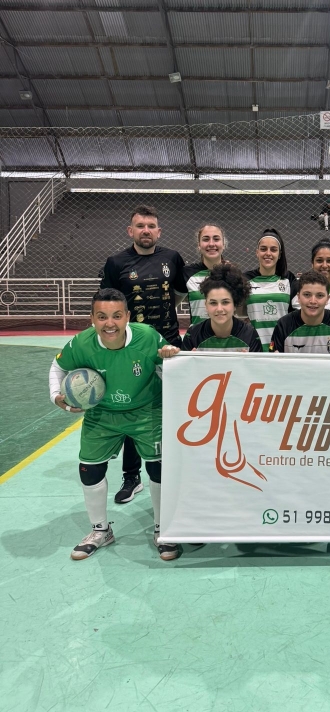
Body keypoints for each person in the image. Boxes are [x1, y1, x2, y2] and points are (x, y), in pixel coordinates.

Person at [49, 288, 182, 561]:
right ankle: (101, 531)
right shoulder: (81, 344)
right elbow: (58, 367)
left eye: (117, 316)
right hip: (102, 413)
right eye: (102, 317)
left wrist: (171, 355)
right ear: (92, 319)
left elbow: (168, 367)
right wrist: (57, 397)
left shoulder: (146, 337)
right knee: (89, 468)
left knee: (158, 467)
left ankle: (163, 530)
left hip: (147, 410)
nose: (110, 323)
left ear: (127, 317)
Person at [99, 204, 187, 505]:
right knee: (131, 410)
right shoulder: (116, 262)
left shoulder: (172, 258)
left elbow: (178, 295)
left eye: (151, 226)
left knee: (174, 408)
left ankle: (173, 468)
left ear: (158, 231)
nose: (146, 230)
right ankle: (131, 476)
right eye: (140, 226)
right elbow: (107, 305)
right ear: (131, 231)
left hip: (171, 346)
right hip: (130, 349)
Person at [181, 264, 262, 352]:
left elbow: (257, 365)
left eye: (225, 302)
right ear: (206, 305)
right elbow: (183, 365)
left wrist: (248, 363)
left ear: (235, 304)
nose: (219, 309)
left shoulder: (249, 334)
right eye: (213, 303)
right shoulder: (193, 335)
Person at [270, 270, 330, 354]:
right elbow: (275, 362)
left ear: (327, 299)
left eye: (320, 295)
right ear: (298, 297)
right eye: (307, 295)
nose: (313, 301)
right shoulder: (284, 325)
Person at [243, 229, 297, 352]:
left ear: (279, 254)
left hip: (281, 348)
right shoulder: (245, 279)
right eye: (263, 249)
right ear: (257, 252)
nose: (268, 253)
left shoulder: (288, 278)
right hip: (254, 348)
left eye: (273, 249)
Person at [182, 223, 227, 326]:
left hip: (227, 339)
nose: (211, 244)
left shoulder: (232, 273)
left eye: (216, 239)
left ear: (223, 244)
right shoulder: (187, 273)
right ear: (199, 245)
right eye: (206, 239)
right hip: (196, 339)